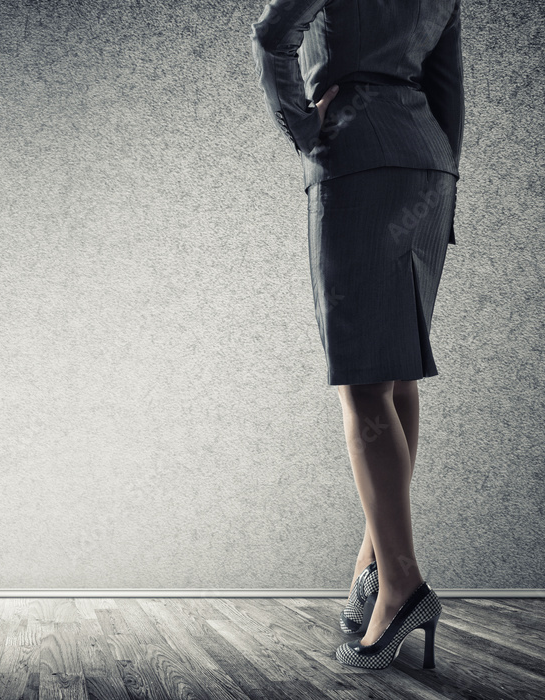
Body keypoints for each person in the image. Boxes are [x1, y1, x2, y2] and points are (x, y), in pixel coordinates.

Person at [250, 0, 464, 670]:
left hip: (356, 159)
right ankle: (374, 567)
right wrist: (443, 185)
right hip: (427, 163)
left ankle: (401, 586)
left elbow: (272, 32)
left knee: (363, 384)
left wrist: (303, 126)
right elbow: (447, 83)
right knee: (395, 370)